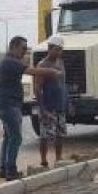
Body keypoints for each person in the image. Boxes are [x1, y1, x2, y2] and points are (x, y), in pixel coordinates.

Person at [0, 36, 60, 181]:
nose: (25, 51)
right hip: (9, 106)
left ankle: (4, 169)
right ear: (14, 46)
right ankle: (11, 171)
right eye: (23, 48)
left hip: (4, 105)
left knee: (8, 137)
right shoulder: (11, 62)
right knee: (15, 138)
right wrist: (52, 72)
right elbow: (33, 71)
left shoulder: (4, 60)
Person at [34, 35, 68, 168]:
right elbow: (38, 88)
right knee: (45, 136)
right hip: (48, 106)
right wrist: (42, 109)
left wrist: (68, 102)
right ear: (49, 48)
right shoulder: (42, 65)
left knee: (60, 134)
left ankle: (58, 158)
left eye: (61, 50)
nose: (59, 52)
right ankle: (43, 160)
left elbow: (63, 83)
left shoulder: (60, 62)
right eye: (57, 50)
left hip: (61, 105)